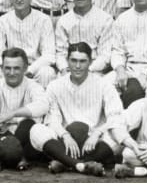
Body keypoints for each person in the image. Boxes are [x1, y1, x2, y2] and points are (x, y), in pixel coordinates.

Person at [30, 43, 123, 176]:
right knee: (36, 130)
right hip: (66, 141)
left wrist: (97, 134)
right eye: (73, 60)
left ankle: (65, 163)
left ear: (90, 62)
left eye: (82, 61)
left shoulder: (104, 85)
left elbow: (115, 117)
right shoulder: (55, 85)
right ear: (67, 61)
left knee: (120, 133)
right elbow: (53, 120)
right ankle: (79, 164)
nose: (78, 66)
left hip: (94, 141)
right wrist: (65, 136)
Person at [56, 0, 113, 76]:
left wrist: (89, 70)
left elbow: (105, 55)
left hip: (95, 70)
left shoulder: (105, 19)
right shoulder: (63, 20)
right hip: (69, 70)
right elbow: (60, 52)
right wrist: (64, 69)